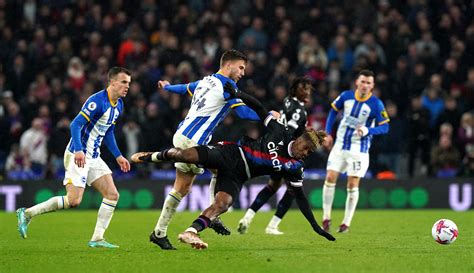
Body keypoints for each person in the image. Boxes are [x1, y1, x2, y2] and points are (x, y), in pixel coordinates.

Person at [131, 83, 336, 249]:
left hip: (238, 176)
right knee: (187, 155)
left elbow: (299, 197)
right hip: (230, 154)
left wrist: (315, 226)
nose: (306, 153)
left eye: (310, 152)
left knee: (223, 204)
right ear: (300, 139)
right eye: (307, 148)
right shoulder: (279, 131)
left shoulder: (295, 167)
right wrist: (239, 93)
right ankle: (152, 156)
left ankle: (190, 232)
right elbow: (259, 108)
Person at [149, 49, 272, 250]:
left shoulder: (206, 80)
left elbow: (185, 88)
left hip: (182, 135)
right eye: (240, 68)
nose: (242, 73)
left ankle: (159, 233)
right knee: (226, 167)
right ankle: (213, 215)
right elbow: (243, 112)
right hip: (194, 141)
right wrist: (268, 117)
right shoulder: (227, 85)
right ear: (228, 65)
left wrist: (168, 87)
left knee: (182, 187)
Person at [16, 67, 132, 248]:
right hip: (78, 154)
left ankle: (97, 239)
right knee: (74, 200)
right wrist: (79, 149)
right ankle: (27, 213)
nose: (127, 86)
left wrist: (118, 156)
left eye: (129, 83)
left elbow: (108, 131)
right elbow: (75, 124)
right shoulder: (97, 101)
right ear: (112, 82)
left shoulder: (119, 105)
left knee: (112, 194)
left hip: (94, 156)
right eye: (124, 82)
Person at [237, 77, 313, 235]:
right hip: (286, 153)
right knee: (293, 189)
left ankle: (247, 217)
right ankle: (272, 225)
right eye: (303, 88)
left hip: (275, 149)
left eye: (308, 88)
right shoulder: (299, 110)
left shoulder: (287, 101)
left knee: (273, 186)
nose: (306, 91)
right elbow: (289, 131)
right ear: (294, 90)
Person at [322, 69, 390, 233]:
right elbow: (332, 111)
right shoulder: (346, 96)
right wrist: (327, 133)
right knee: (330, 176)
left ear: (372, 86)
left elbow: (385, 127)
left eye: (368, 83)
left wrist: (368, 130)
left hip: (359, 149)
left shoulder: (376, 104)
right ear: (357, 83)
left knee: (352, 183)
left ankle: (346, 223)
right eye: (363, 81)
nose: (365, 85)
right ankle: (326, 217)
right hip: (340, 145)